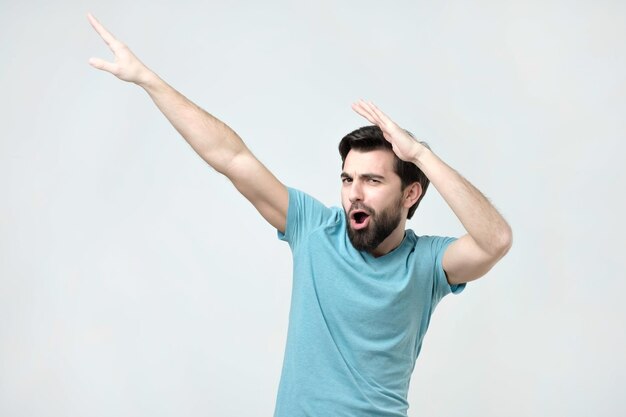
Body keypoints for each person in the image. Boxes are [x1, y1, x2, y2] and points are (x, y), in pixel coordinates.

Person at [87, 13, 512, 417]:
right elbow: (231, 156)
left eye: (373, 181)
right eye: (347, 180)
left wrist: (419, 153)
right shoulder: (314, 229)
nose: (354, 194)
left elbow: (495, 241)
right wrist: (148, 80)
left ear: (410, 194)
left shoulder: (427, 265)